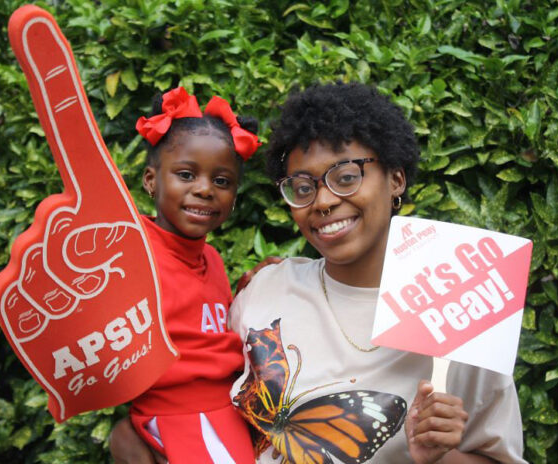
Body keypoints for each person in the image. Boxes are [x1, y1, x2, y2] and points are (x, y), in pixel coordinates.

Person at [110, 82, 526, 464]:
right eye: (303, 187)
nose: (323, 201)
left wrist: (440, 458)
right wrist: (130, 432)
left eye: (346, 177)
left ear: (396, 179)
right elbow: (197, 390)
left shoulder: (461, 314)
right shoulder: (265, 291)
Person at [118, 86, 260, 464]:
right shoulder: (132, 252)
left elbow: (205, 327)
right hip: (180, 418)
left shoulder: (210, 257)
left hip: (227, 412)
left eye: (222, 181)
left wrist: (253, 287)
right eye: (186, 174)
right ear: (151, 180)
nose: (204, 189)